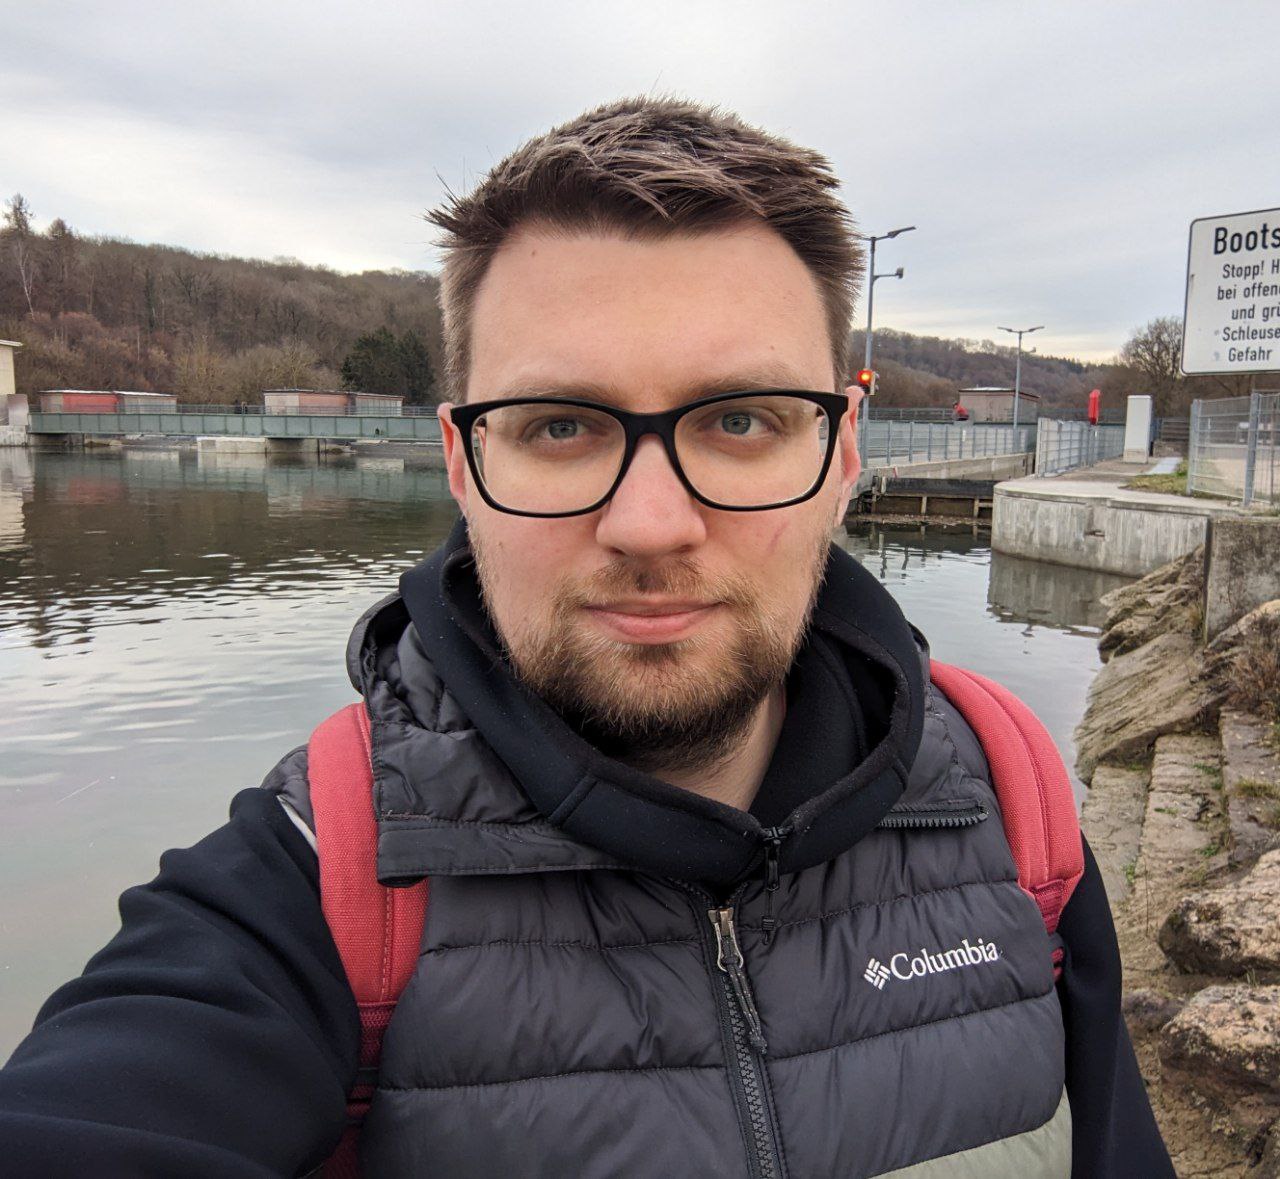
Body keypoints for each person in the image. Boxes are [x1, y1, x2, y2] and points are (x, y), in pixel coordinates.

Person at [0, 98, 1171, 1178]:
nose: (649, 525)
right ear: (462, 462)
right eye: (558, 426)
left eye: (740, 420)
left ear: (841, 451)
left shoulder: (1008, 808)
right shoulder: (322, 883)